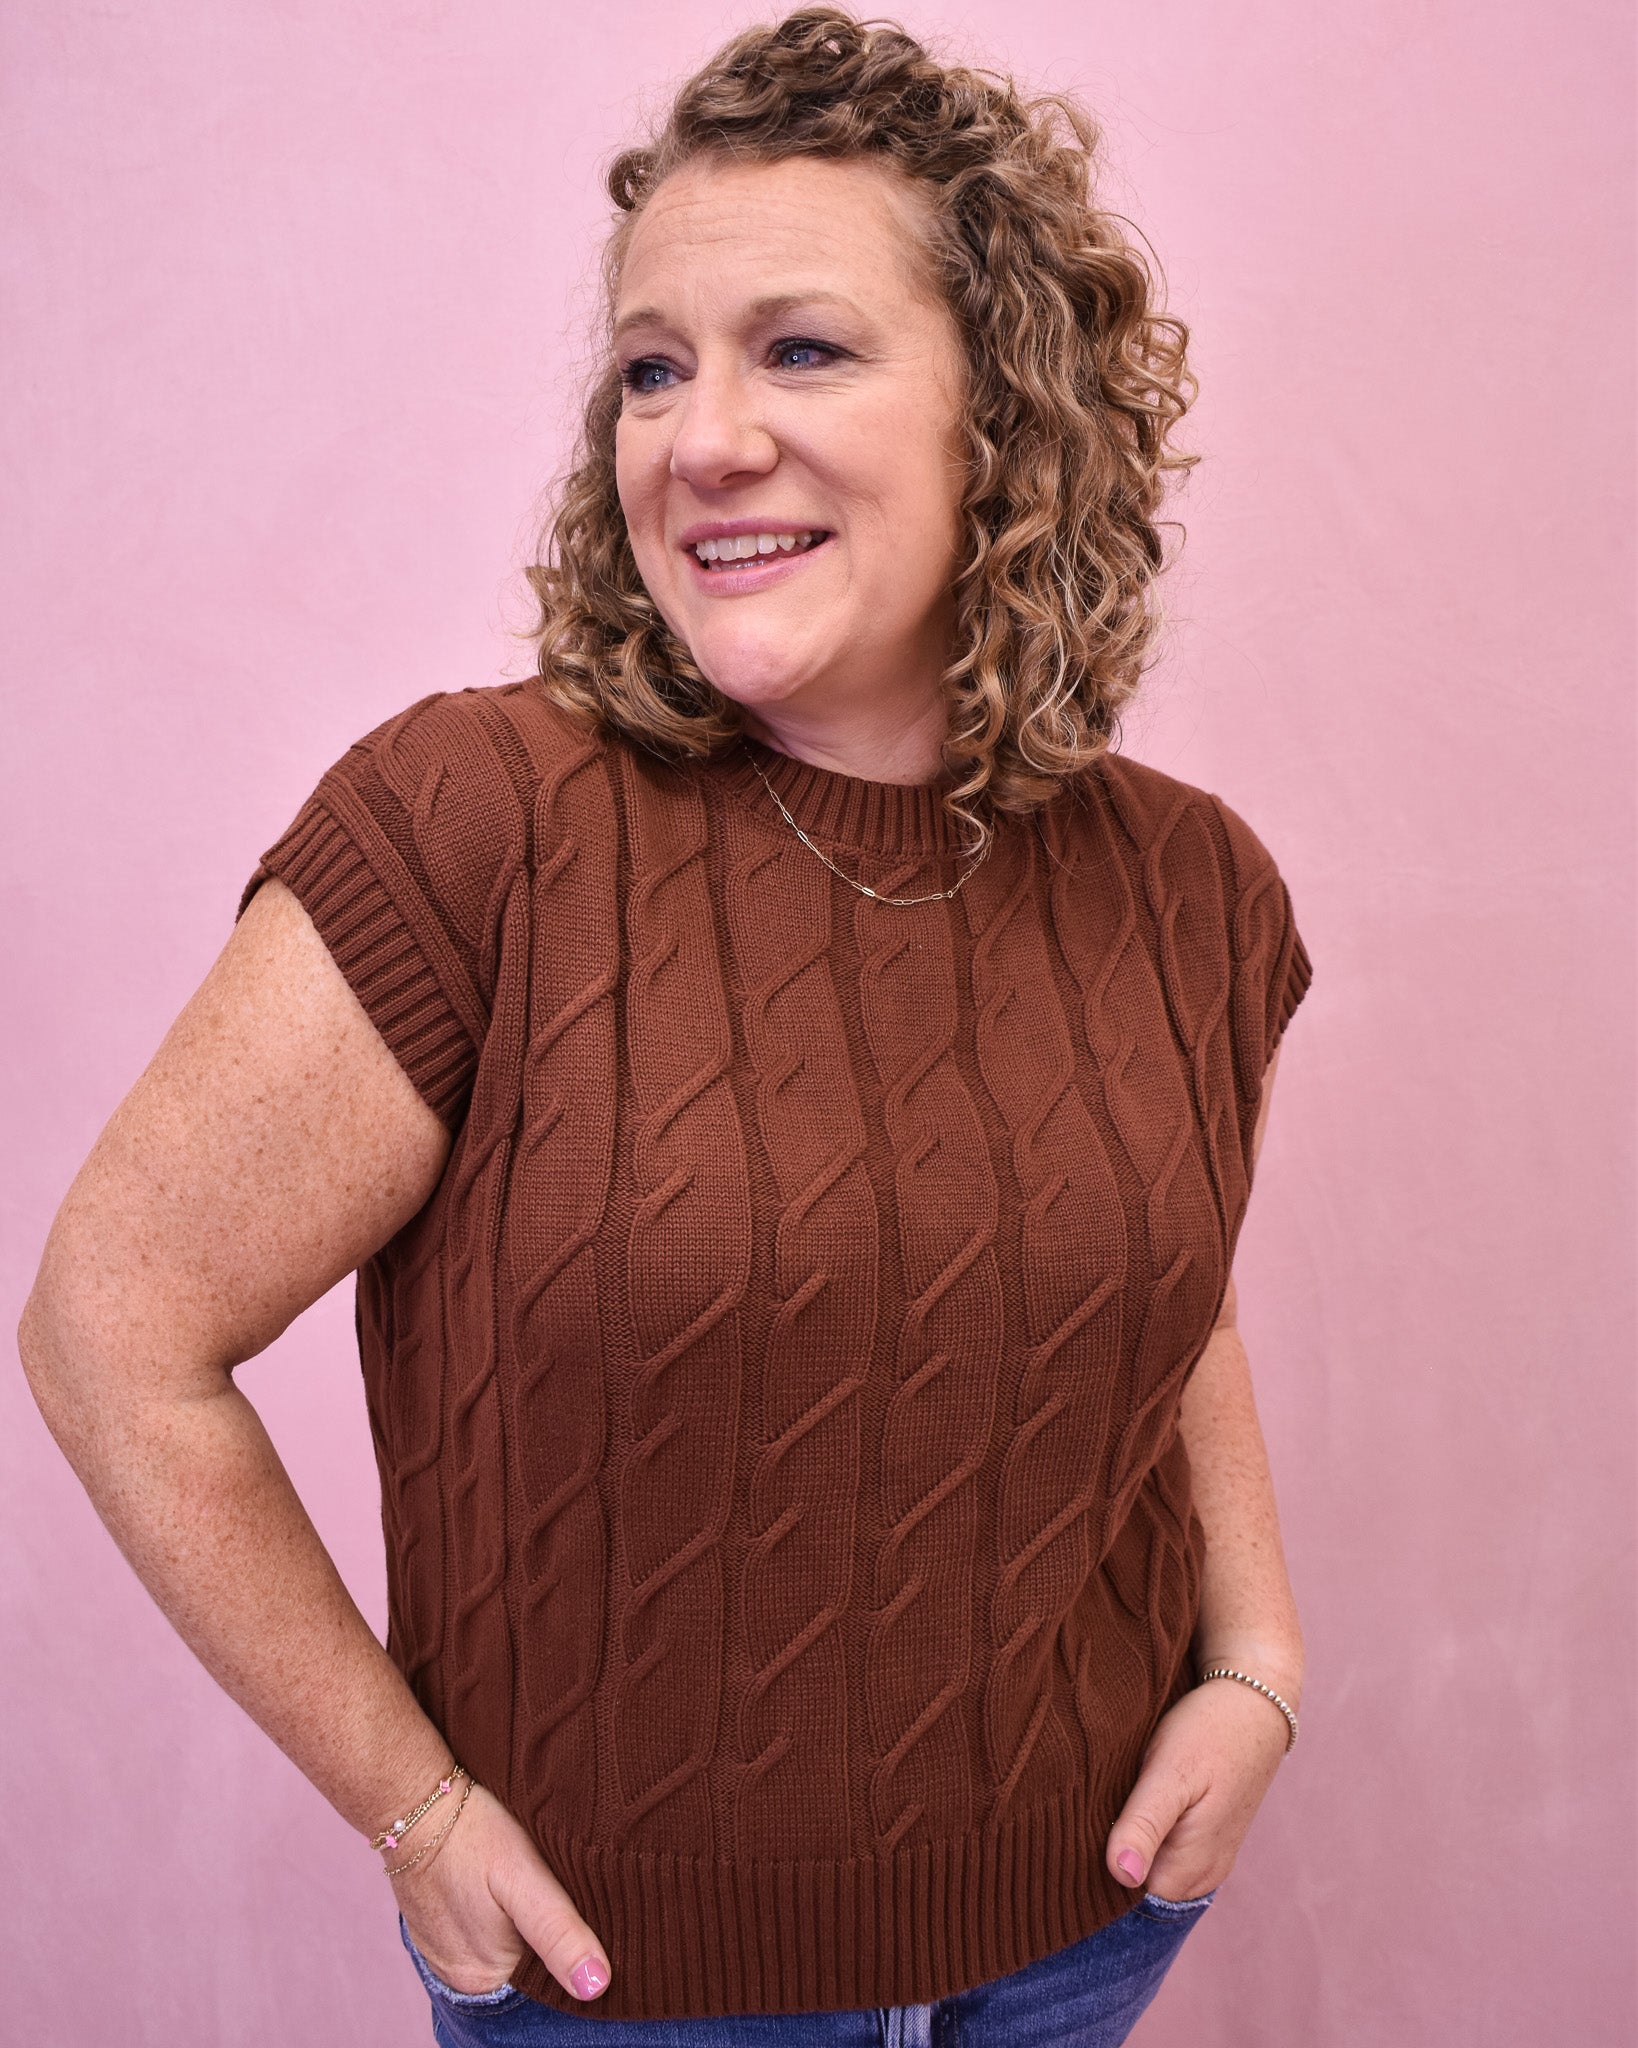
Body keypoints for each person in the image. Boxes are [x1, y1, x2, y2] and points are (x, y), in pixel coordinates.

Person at [18, 9, 1315, 2044]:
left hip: (1081, 1935)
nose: (697, 437)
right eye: (649, 366)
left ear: (1010, 412)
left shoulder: (1195, 889)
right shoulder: (472, 832)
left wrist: (1256, 1657)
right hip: (628, 1999)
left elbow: (1158, 1278)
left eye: (799, 347)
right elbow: (109, 1324)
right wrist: (415, 1802)